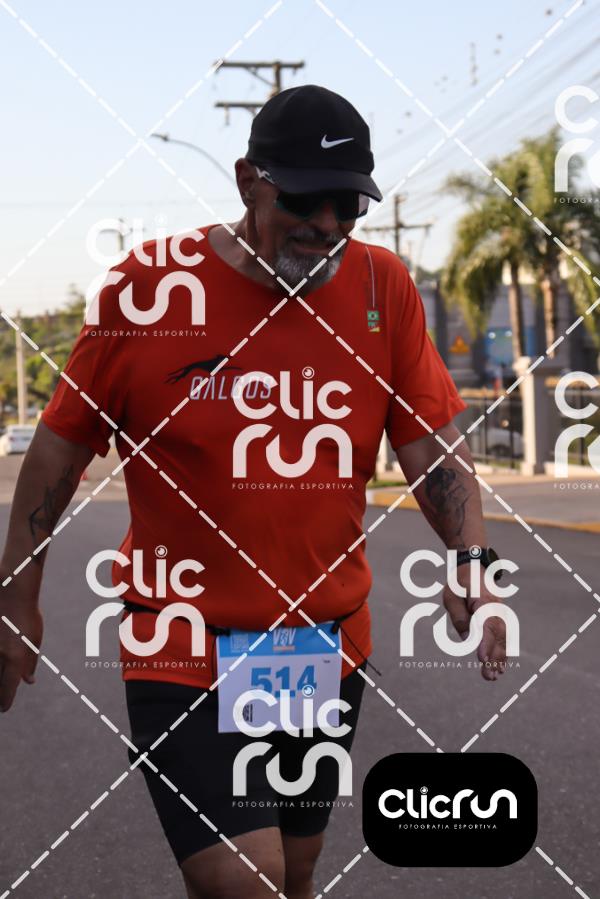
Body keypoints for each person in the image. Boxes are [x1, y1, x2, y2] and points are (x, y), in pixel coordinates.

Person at [0, 85, 507, 899]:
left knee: (295, 871)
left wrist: (471, 557)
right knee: (248, 878)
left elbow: (431, 448)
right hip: (181, 643)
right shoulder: (148, 291)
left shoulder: (381, 289)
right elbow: (59, 449)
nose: (328, 224)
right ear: (248, 181)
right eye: (304, 199)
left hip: (322, 647)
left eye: (348, 204)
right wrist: (16, 595)